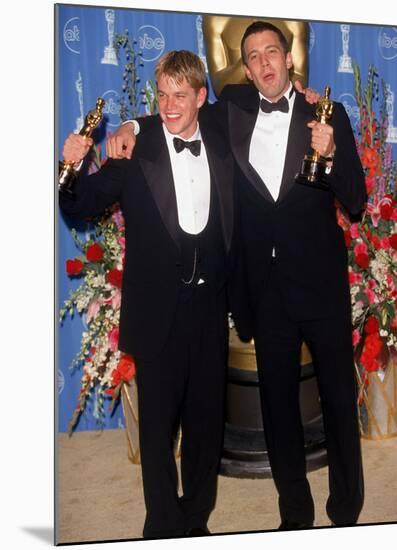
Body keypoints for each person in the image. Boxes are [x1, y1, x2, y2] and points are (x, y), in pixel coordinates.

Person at [106, 21, 366, 531]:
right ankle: (295, 514)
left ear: (289, 59)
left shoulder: (327, 114)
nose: (265, 62)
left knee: (337, 400)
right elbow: (177, 113)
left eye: (273, 52)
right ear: (244, 69)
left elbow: (355, 201)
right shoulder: (232, 111)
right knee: (278, 409)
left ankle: (347, 511)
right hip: (263, 293)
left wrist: (332, 154)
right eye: (254, 56)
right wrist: (131, 127)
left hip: (321, 288)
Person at [59, 50, 236, 539]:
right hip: (158, 311)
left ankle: (196, 517)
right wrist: (70, 168)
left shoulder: (221, 137)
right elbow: (84, 203)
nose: (170, 106)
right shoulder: (136, 149)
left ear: (202, 97)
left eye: (181, 95)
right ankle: (162, 525)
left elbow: (249, 98)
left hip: (209, 309)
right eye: (161, 95)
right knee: (158, 432)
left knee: (206, 427)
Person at [202, 15, 308, 96]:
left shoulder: (294, 18)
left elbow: (300, 81)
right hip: (237, 112)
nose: (264, 62)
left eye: (271, 51)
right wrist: (252, 62)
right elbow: (219, 86)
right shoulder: (215, 18)